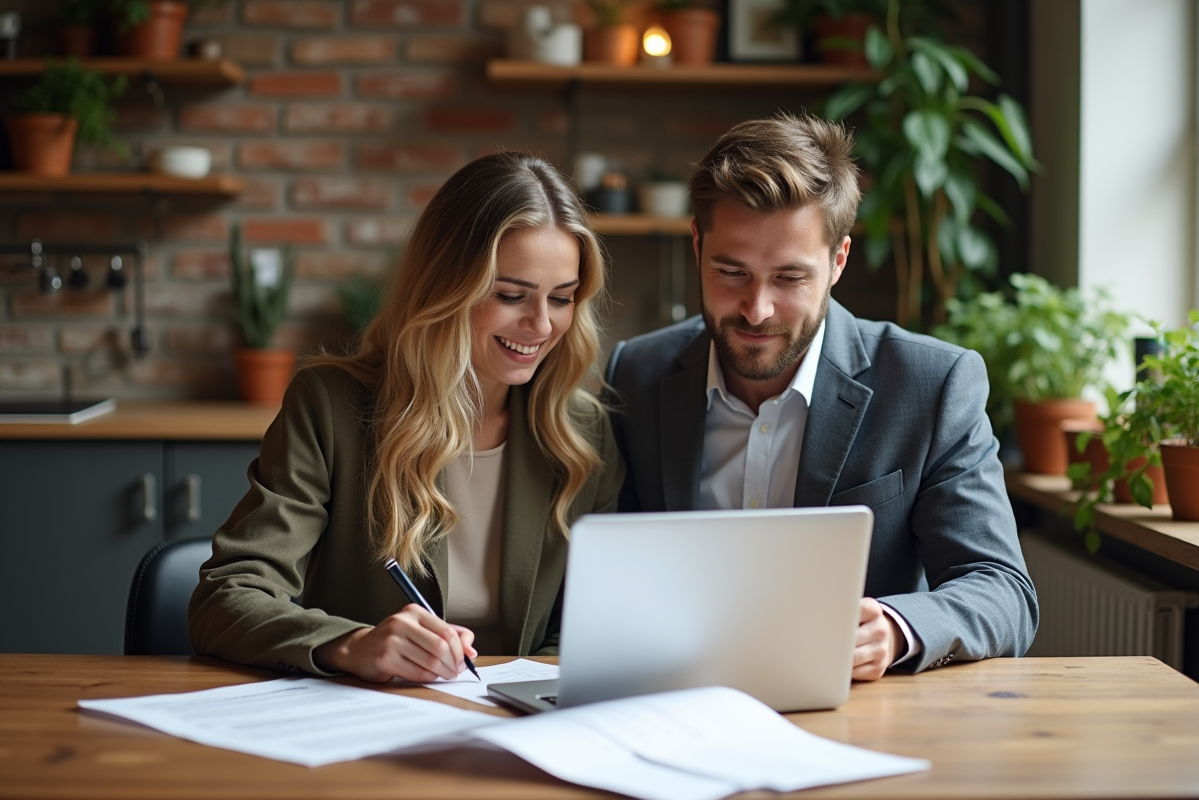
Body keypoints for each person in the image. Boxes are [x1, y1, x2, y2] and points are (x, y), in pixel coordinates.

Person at [605, 113, 1038, 680]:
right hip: (669, 695)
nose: (757, 310)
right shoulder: (637, 373)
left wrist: (896, 628)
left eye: (789, 279)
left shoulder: (932, 384)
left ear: (838, 261)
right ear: (696, 245)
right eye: (730, 272)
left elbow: (1002, 590)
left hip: (852, 714)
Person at [189, 151, 625, 683]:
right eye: (511, 295)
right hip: (371, 717)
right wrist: (351, 644)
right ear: (446, 287)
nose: (540, 324)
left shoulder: (582, 431)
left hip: (518, 725)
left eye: (562, 298)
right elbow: (227, 594)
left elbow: (589, 627)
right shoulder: (331, 406)